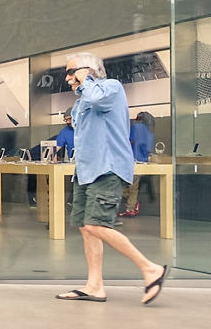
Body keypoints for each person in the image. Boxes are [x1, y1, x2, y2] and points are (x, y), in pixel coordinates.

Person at [54, 53, 166, 304]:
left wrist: (86, 79)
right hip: (85, 171)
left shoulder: (109, 88)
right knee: (86, 228)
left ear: (88, 70)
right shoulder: (82, 100)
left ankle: (151, 269)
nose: (68, 78)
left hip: (108, 169)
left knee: (97, 225)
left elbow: (96, 98)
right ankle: (95, 286)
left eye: (72, 72)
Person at [121, 112, 155, 217]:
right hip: (142, 163)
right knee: (133, 186)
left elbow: (128, 142)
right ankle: (131, 207)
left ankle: (131, 207)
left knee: (125, 186)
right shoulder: (149, 133)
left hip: (130, 162)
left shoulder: (135, 128)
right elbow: (149, 150)